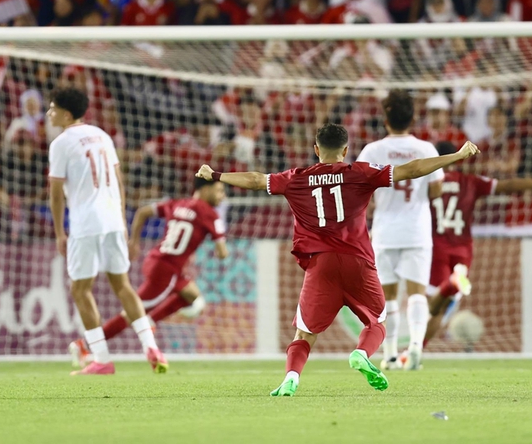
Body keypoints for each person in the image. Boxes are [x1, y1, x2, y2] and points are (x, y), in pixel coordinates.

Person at [195, 123, 480, 396]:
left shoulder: (297, 177)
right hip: (358, 262)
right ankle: (360, 353)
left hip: (321, 265)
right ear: (346, 151)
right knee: (376, 322)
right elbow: (414, 169)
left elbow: (256, 180)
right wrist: (457, 155)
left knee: (304, 334)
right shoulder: (361, 173)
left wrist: (216, 175)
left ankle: (290, 378)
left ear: (316, 150)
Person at [48, 87, 167, 375]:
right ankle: (151, 346)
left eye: (52, 109)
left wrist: (59, 233)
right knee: (122, 285)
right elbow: (118, 180)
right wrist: (123, 222)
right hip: (113, 218)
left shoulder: (61, 143)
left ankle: (101, 358)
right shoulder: (102, 135)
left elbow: (55, 192)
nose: (49, 113)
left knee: (80, 289)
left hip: (86, 223)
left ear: (65, 114)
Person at [424, 141, 532, 349]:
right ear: (456, 159)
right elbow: (507, 186)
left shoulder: (428, 184)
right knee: (444, 304)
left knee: (432, 305)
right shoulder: (471, 181)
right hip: (463, 249)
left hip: (436, 247)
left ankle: (416, 348)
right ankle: (418, 348)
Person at [69, 177, 228, 367]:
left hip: (156, 261)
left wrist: (134, 241)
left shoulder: (176, 203)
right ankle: (84, 345)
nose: (222, 196)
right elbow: (222, 253)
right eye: (219, 190)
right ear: (205, 189)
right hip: (166, 271)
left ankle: (151, 320)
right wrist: (218, 245)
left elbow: (143, 211)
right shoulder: (210, 214)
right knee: (131, 314)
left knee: (192, 295)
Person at [357, 89, 444, 371]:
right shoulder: (426, 149)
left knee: (388, 296)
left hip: (385, 230)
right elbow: (436, 190)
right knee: (417, 292)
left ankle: (391, 354)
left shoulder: (372, 150)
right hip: (417, 229)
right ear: (413, 117)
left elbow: (360, 191)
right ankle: (416, 346)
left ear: (385, 117)